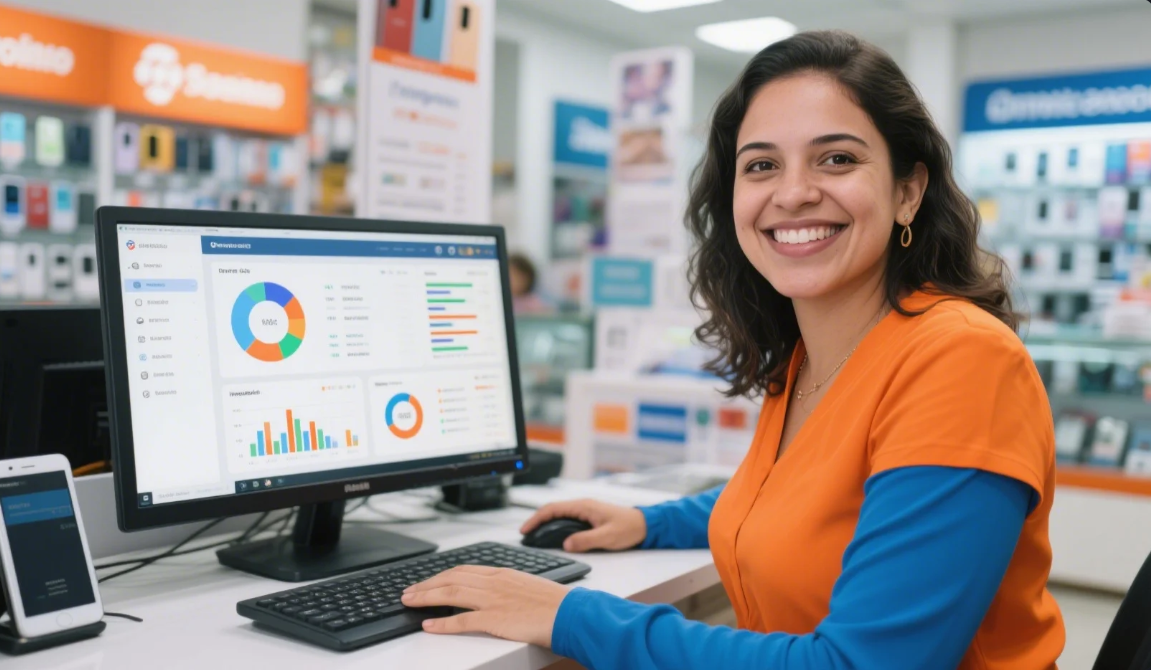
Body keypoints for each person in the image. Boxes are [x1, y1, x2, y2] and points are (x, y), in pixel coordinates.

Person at [401, 30, 1066, 669]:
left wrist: (567, 614)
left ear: (906, 191)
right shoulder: (806, 357)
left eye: (836, 158)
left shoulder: (961, 360)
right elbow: (807, 496)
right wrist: (648, 521)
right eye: (761, 165)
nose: (793, 192)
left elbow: (861, 664)